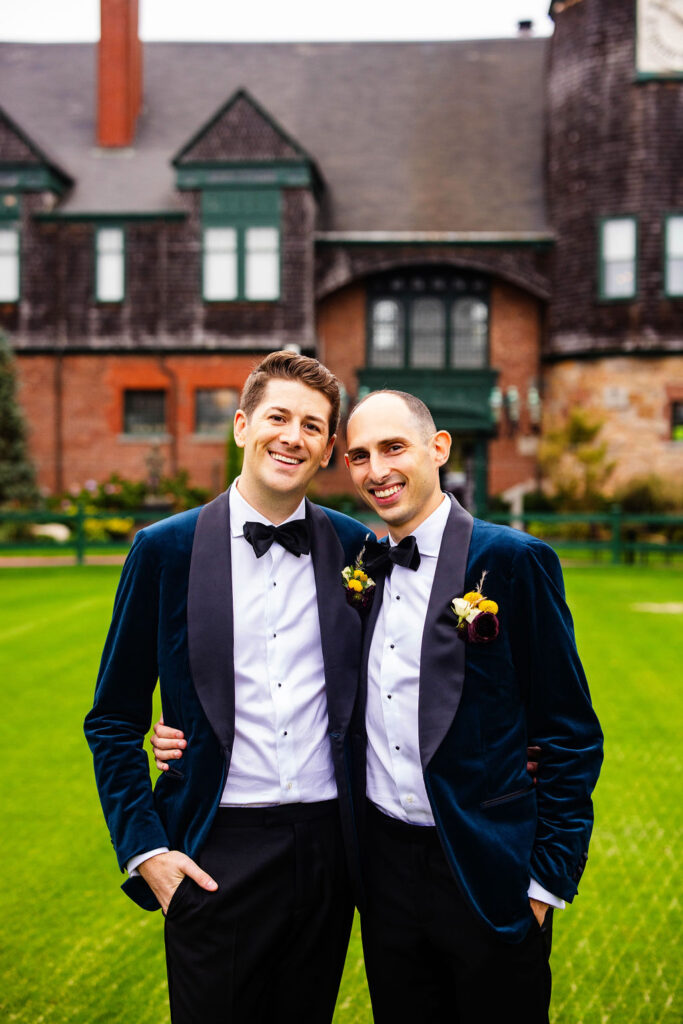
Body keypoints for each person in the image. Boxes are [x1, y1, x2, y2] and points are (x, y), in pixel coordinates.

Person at [154, 388, 603, 1024]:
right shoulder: (359, 564)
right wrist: (182, 731)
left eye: (394, 448)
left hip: (486, 870)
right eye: (360, 456)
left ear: (438, 448)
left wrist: (546, 882)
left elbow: (570, 733)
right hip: (380, 871)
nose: (377, 470)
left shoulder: (512, 561)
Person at [84, 351, 371, 1024]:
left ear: (329, 448)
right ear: (242, 426)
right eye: (277, 416)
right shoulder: (163, 548)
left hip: (329, 846)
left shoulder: (361, 551)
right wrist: (147, 852)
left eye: (311, 425)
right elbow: (114, 718)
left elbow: (414, 663)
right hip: (216, 849)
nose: (291, 436)